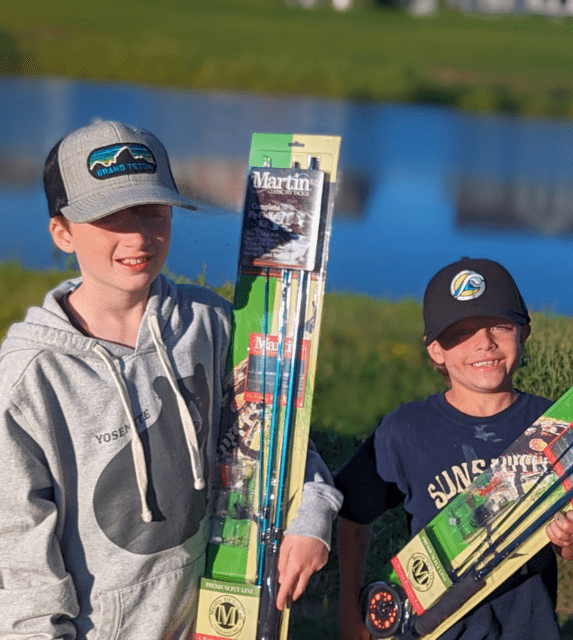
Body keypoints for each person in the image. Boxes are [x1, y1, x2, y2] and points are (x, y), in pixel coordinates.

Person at [0, 120, 342, 639]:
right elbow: (21, 560)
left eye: (151, 211)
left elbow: (278, 439)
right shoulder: (30, 378)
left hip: (214, 623)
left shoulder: (211, 324)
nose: (137, 235)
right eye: (109, 217)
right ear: (62, 231)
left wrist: (312, 513)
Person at [336, 257, 573, 640]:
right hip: (431, 629)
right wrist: (349, 616)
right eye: (461, 333)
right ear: (435, 350)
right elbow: (352, 517)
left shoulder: (556, 425)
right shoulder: (405, 430)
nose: (484, 343)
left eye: (500, 326)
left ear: (523, 333)